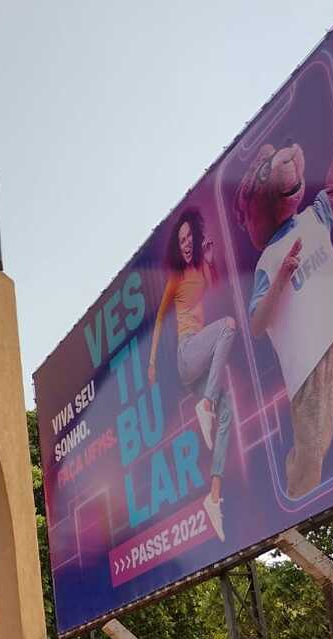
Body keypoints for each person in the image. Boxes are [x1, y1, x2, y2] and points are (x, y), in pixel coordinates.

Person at [238, 72, 333, 497]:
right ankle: (299, 497)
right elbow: (256, 323)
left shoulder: (313, 216)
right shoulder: (267, 261)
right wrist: (282, 278)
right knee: (311, 453)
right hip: (307, 360)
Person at [147, 206, 235, 541]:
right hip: (187, 353)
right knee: (228, 326)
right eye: (180, 239)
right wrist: (152, 363)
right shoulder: (175, 279)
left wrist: (211, 259)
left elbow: (214, 283)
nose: (186, 244)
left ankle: (213, 497)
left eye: (189, 238)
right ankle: (207, 402)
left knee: (227, 415)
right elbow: (158, 322)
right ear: (176, 245)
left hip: (198, 364)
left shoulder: (200, 268)